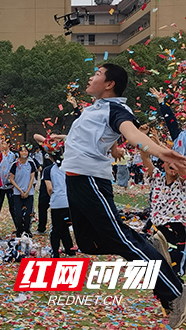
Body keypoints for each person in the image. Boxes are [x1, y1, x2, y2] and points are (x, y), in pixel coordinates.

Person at [60, 63, 186, 329]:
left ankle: (175, 292)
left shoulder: (117, 109)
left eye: (96, 74)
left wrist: (160, 152)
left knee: (120, 240)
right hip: (75, 179)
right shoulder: (96, 108)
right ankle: (147, 243)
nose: (91, 77)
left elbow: (131, 132)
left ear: (109, 84)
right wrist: (114, 145)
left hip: (90, 179)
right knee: (87, 243)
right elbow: (106, 132)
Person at [141, 145, 186, 276]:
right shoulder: (157, 177)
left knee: (175, 268)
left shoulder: (182, 182)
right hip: (156, 226)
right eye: (170, 163)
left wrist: (177, 162)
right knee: (157, 266)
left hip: (176, 228)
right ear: (164, 164)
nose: (173, 167)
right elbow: (145, 157)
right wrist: (142, 139)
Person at [43, 152, 75, 258]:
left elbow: (49, 188)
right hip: (68, 202)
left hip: (57, 203)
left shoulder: (48, 170)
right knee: (64, 226)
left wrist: (53, 196)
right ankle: (70, 249)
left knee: (56, 229)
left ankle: (55, 252)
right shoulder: (68, 168)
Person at [9, 145, 37, 237]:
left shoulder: (31, 164)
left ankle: (27, 230)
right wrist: (20, 190)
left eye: (26, 151)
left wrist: (28, 190)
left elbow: (32, 177)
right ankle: (19, 230)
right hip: (17, 192)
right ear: (19, 153)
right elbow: (11, 179)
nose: (24, 153)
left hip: (29, 192)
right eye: (22, 151)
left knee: (28, 213)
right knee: (18, 213)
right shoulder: (15, 164)